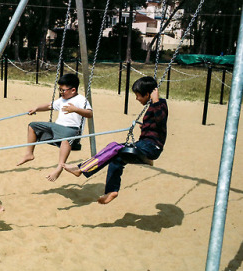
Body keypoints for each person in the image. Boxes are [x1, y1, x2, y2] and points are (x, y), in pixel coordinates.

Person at [63, 76, 168, 204]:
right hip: (144, 144)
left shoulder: (160, 104)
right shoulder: (153, 105)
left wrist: (156, 100)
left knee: (114, 147)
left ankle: (81, 169)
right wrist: (144, 126)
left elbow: (161, 121)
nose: (137, 98)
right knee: (116, 158)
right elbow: (155, 125)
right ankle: (112, 190)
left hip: (151, 147)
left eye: (138, 95)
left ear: (147, 94)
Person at [16, 73, 93, 182]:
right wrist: (36, 108)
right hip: (56, 127)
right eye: (59, 90)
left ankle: (59, 168)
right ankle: (29, 154)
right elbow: (49, 106)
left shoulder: (81, 100)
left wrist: (76, 109)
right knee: (32, 126)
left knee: (65, 138)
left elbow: (89, 114)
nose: (61, 93)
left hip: (71, 130)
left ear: (73, 90)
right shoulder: (62, 100)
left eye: (63, 90)